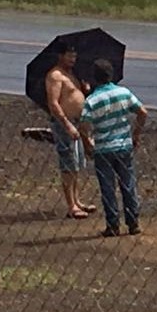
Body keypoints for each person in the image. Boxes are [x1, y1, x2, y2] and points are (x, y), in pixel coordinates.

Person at [79, 59, 148, 238]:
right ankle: (133, 222)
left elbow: (84, 126)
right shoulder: (123, 92)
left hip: (103, 147)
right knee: (128, 184)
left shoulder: (92, 100)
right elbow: (142, 112)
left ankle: (113, 224)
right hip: (124, 144)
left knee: (107, 187)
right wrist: (136, 134)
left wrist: (88, 144)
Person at [46, 46, 96, 219]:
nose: (73, 59)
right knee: (68, 164)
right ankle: (71, 205)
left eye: (74, 56)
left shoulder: (73, 74)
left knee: (77, 164)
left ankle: (77, 200)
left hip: (78, 123)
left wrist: (86, 89)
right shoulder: (55, 76)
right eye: (69, 56)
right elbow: (53, 103)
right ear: (61, 56)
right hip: (64, 124)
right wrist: (67, 124)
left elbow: (77, 95)